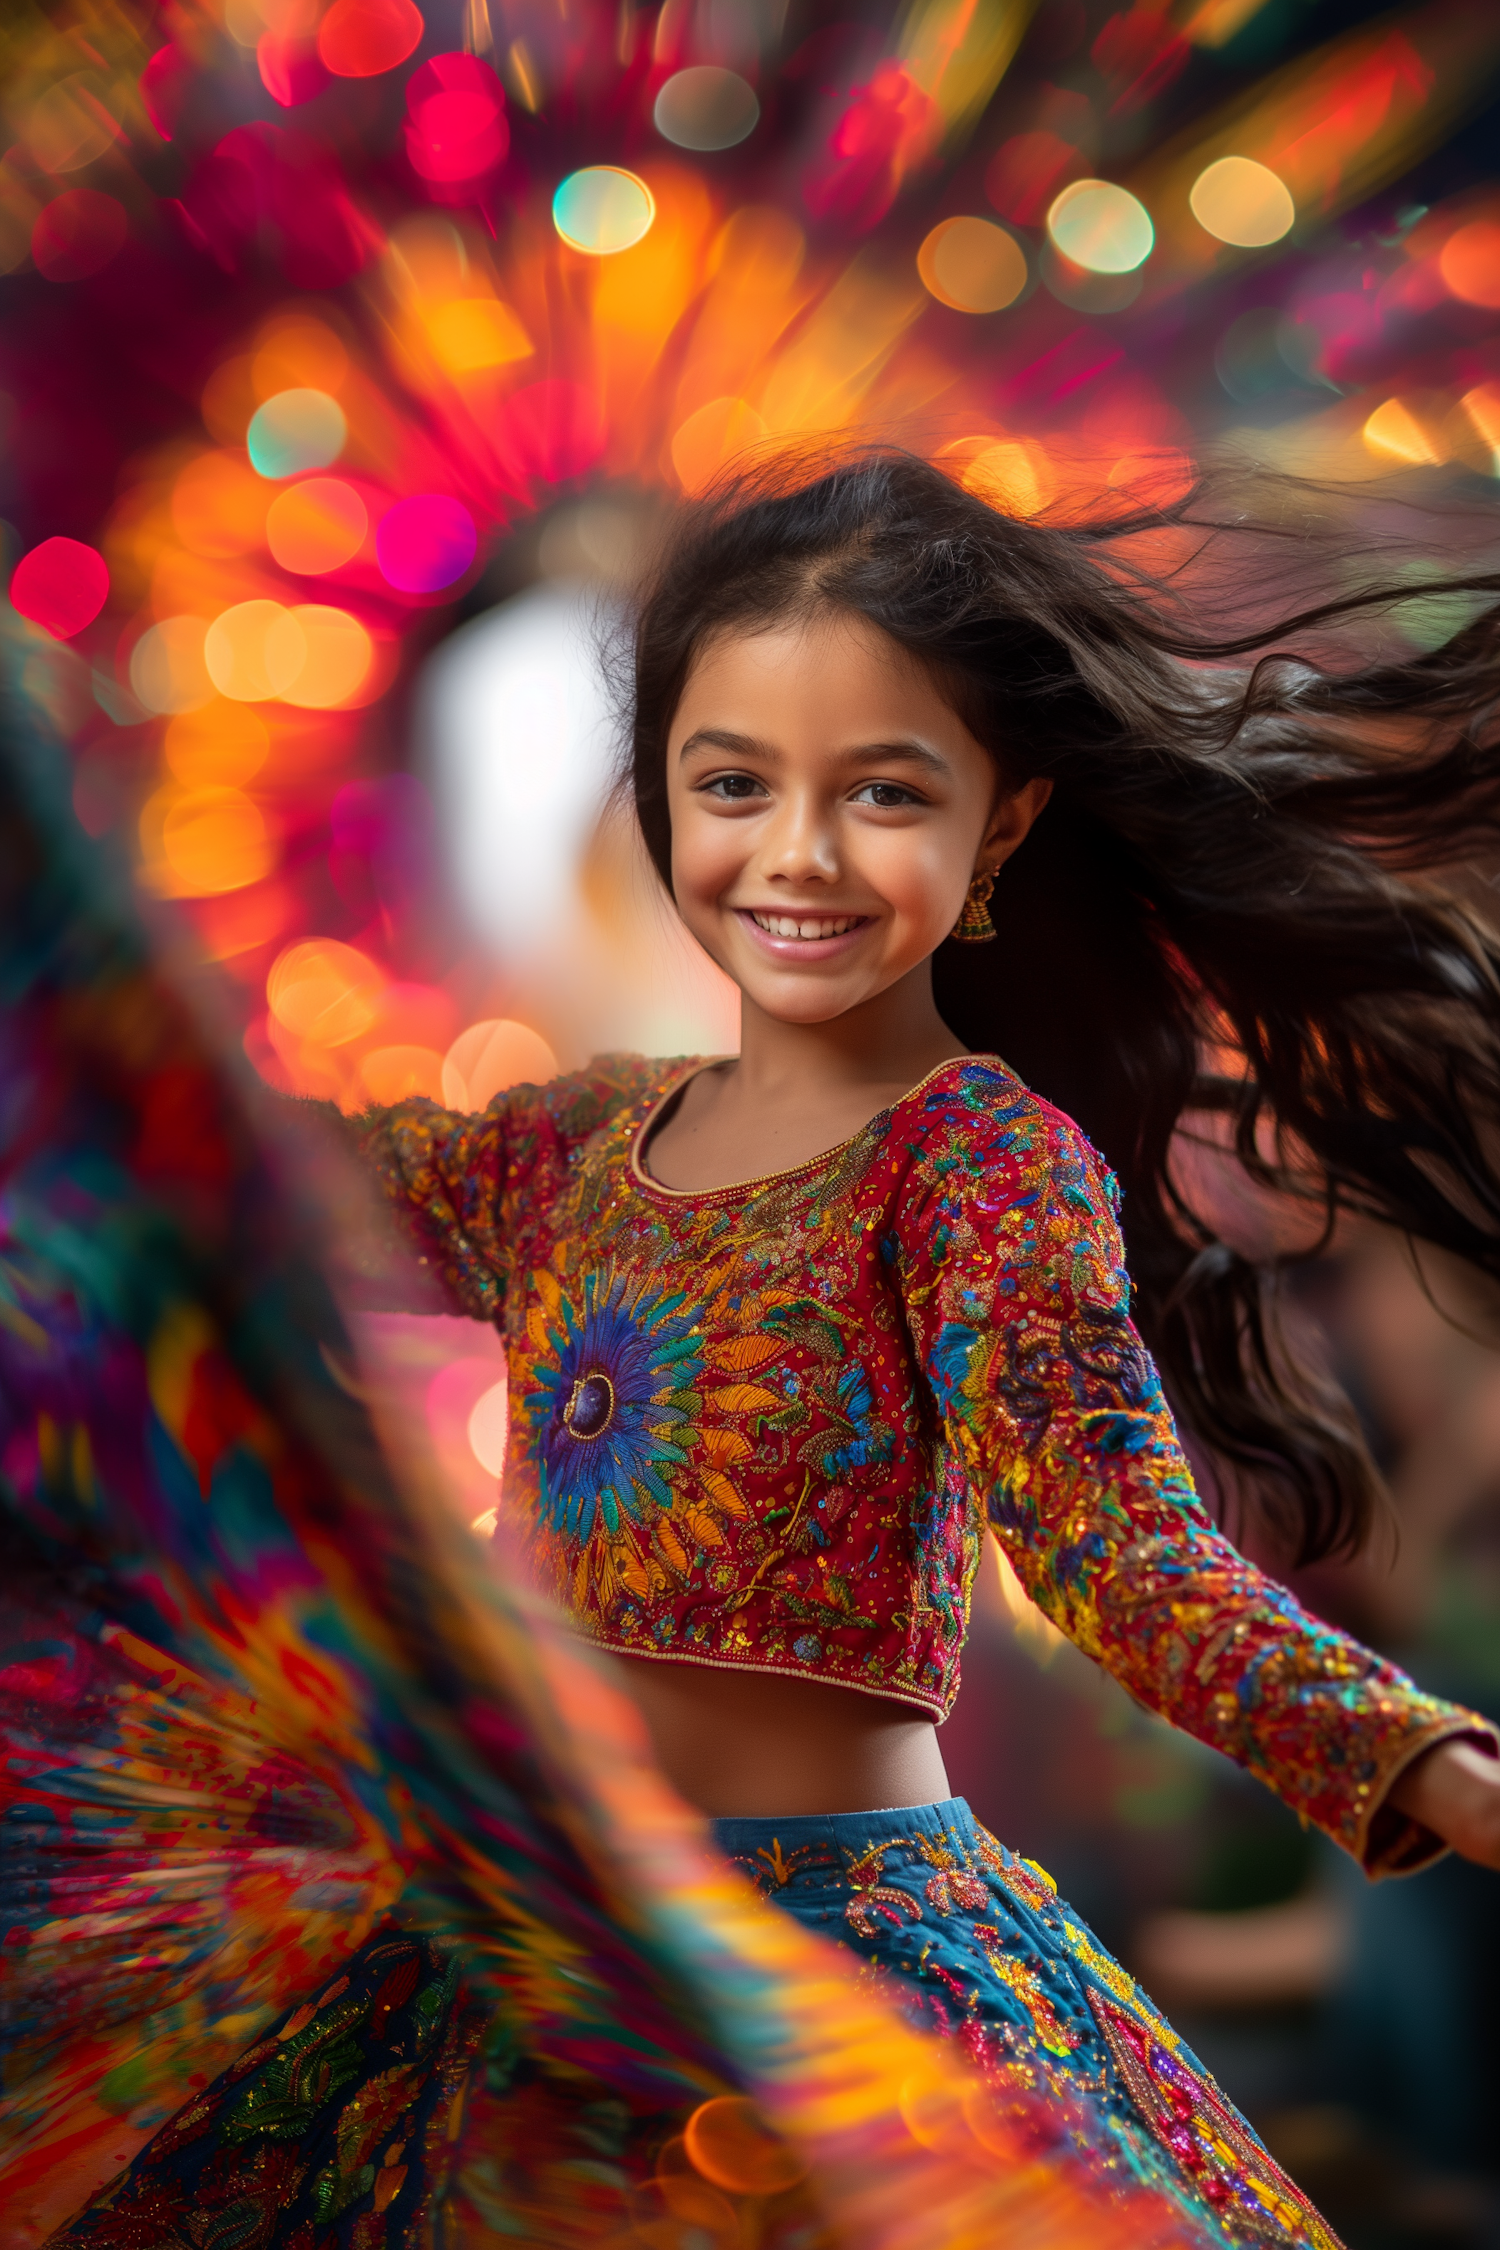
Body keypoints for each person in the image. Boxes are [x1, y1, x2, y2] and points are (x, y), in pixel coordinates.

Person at [21, 448, 1500, 2248]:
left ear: (1002, 823)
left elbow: (1125, 1560)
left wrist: (1421, 1759)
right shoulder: (550, 1150)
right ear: (655, 799)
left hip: (849, 1987)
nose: (795, 855)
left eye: (883, 791)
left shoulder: (974, 1161)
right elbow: (222, 1191)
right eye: (734, 784)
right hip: (523, 1966)